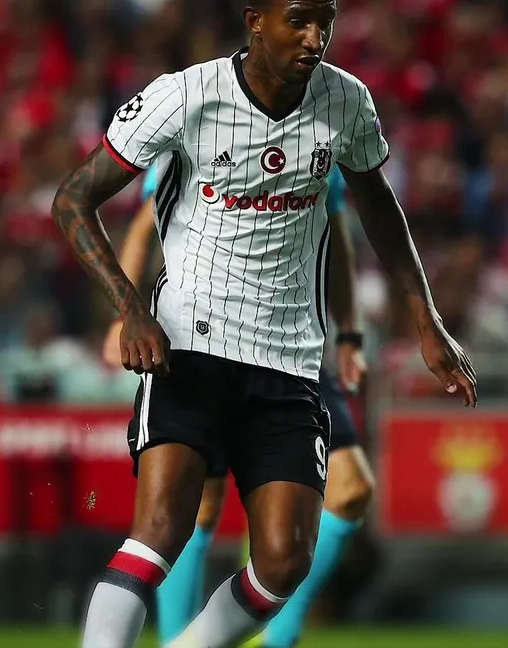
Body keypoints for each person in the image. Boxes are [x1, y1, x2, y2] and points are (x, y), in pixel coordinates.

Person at [51, 0, 477, 648]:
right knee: (161, 530)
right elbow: (73, 198)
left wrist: (425, 320)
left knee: (284, 560)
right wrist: (130, 308)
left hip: (287, 358)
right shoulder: (187, 96)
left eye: (325, 23)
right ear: (255, 22)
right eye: (299, 22)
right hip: (189, 342)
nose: (316, 38)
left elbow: (377, 209)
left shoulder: (346, 102)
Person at [104, 161, 374, 647]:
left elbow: (335, 237)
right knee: (196, 508)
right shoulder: (200, 131)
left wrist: (350, 334)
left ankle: (276, 639)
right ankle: (177, 639)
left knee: (349, 489)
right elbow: (144, 225)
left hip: (292, 344)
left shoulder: (326, 138)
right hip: (204, 337)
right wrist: (125, 314)